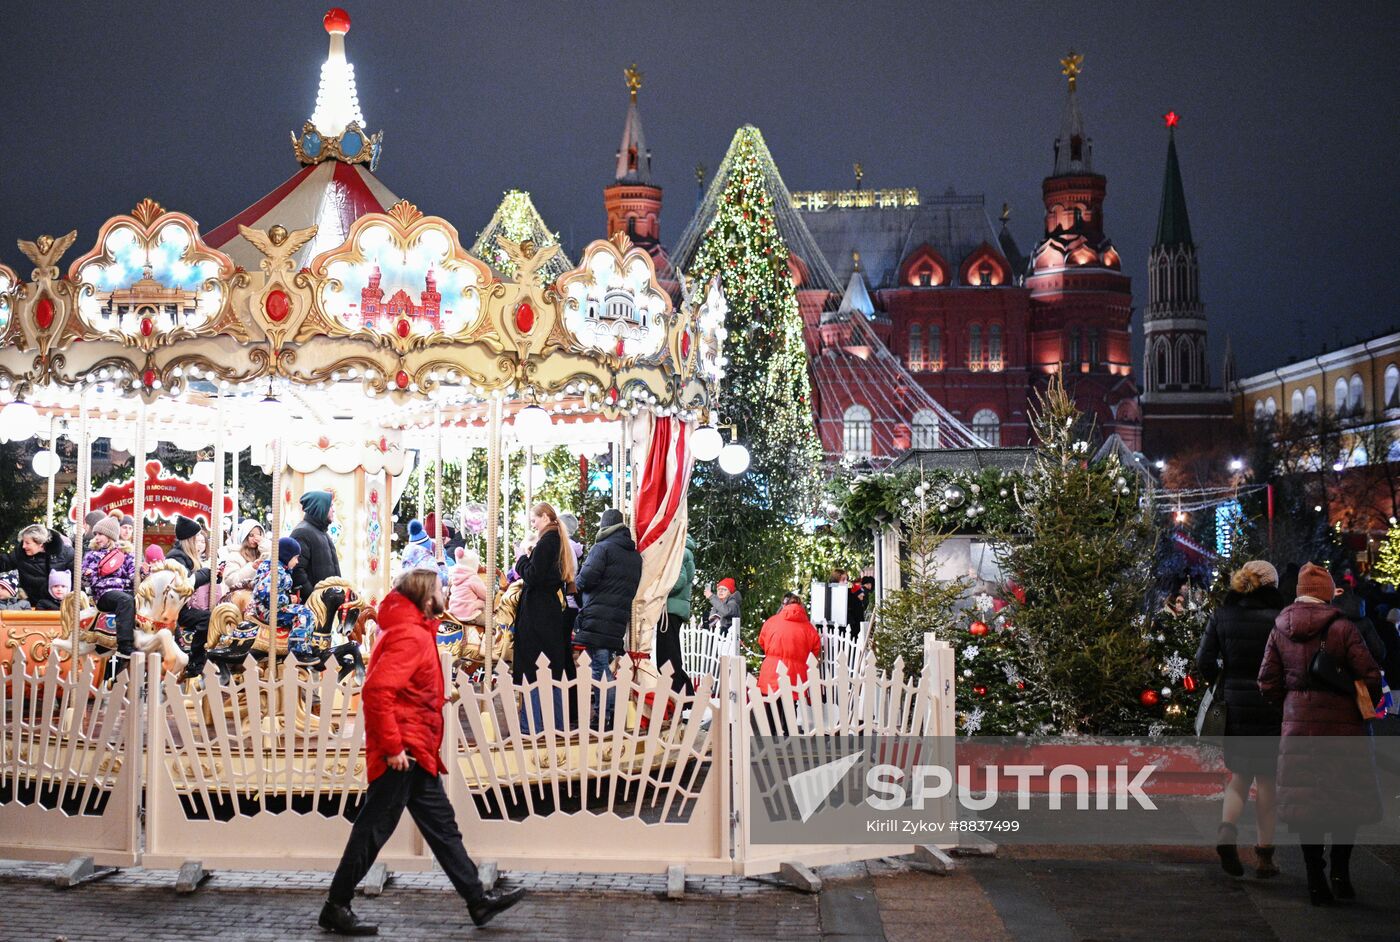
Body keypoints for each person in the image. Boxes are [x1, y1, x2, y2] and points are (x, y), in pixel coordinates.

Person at [320, 569, 526, 935]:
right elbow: (378, 691)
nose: (445, 592)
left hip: (416, 749)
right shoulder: (410, 635)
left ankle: (477, 900)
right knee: (372, 830)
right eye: (439, 588)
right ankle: (336, 904)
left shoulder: (413, 630)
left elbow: (404, 686)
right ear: (426, 597)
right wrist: (394, 746)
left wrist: (432, 697)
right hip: (404, 752)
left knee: (443, 829)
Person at [1258, 562, 1382, 905]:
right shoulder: (1342, 628)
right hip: (1344, 727)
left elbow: (1267, 681)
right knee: (1345, 800)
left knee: (1307, 805)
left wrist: (1291, 705)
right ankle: (1340, 874)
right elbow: (1370, 675)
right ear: (1327, 594)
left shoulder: (1280, 628)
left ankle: (1315, 880)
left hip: (1299, 726)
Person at [1195, 560, 1286, 878]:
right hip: (1271, 706)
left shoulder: (1222, 615)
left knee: (1239, 776)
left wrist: (1220, 684)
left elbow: (1203, 658)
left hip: (1234, 705)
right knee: (1267, 783)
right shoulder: (1280, 619)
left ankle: (1226, 833)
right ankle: (1265, 857)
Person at [573, 508, 642, 730]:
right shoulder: (633, 555)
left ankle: (605, 716)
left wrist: (574, 583)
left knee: (599, 668)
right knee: (603, 665)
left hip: (598, 614)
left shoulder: (602, 548)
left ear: (604, 526)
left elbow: (586, 578)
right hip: (616, 617)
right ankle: (609, 715)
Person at [512, 502, 576, 733]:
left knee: (534, 669)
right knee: (551, 670)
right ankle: (556, 725)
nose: (533, 523)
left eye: (535, 519)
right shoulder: (556, 540)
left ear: (546, 517)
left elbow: (533, 576)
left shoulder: (548, 541)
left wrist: (521, 558)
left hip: (538, 612)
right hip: (547, 611)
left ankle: (532, 726)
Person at [757, 593, 822, 735]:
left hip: (772, 667)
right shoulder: (809, 627)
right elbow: (815, 650)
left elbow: (761, 641)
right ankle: (788, 730)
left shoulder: (772, 621)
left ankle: (771, 732)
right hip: (796, 671)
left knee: (771, 701)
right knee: (790, 702)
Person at [80, 516, 136, 672]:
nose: (96, 537)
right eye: (96, 534)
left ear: (110, 536)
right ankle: (125, 645)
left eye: (100, 534)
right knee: (125, 601)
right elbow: (83, 581)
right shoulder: (92, 555)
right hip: (104, 593)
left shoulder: (125, 553)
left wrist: (143, 573)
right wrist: (88, 574)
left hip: (124, 592)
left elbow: (133, 575)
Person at [251, 538, 319, 660]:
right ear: (286, 557)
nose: (297, 561)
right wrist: (288, 599)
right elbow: (264, 593)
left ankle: (303, 643)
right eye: (296, 558)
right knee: (305, 614)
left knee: (301, 609)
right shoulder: (277, 572)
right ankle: (299, 651)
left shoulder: (275, 568)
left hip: (265, 608)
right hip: (267, 611)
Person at [165, 516, 213, 676]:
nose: (200, 542)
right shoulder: (176, 557)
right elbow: (184, 585)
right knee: (207, 618)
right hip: (175, 609)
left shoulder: (187, 557)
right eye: (197, 539)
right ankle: (196, 661)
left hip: (182, 606)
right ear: (190, 540)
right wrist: (205, 574)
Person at [0, 524, 72, 612]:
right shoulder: (20, 554)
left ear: (41, 544)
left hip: (61, 606)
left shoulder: (66, 554)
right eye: (23, 542)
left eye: (27, 543)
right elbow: (4, 562)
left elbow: (77, 580)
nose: (23, 546)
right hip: (33, 605)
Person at [656, 535, 695, 695]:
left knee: (667, 656)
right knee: (671, 653)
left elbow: (678, 581)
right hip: (675, 608)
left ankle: (679, 693)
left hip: (670, 609)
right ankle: (685, 694)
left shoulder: (679, 552)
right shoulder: (685, 551)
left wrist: (658, 589)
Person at [291, 490, 340, 600]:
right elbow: (297, 571)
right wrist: (314, 598)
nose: (333, 510)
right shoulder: (302, 532)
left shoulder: (322, 532)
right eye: (330, 506)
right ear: (320, 507)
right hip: (314, 608)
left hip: (327, 603)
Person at [447, 548, 487, 624]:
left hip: (454, 613)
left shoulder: (455, 577)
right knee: (493, 623)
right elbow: (486, 595)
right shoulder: (473, 578)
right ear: (473, 565)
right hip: (469, 614)